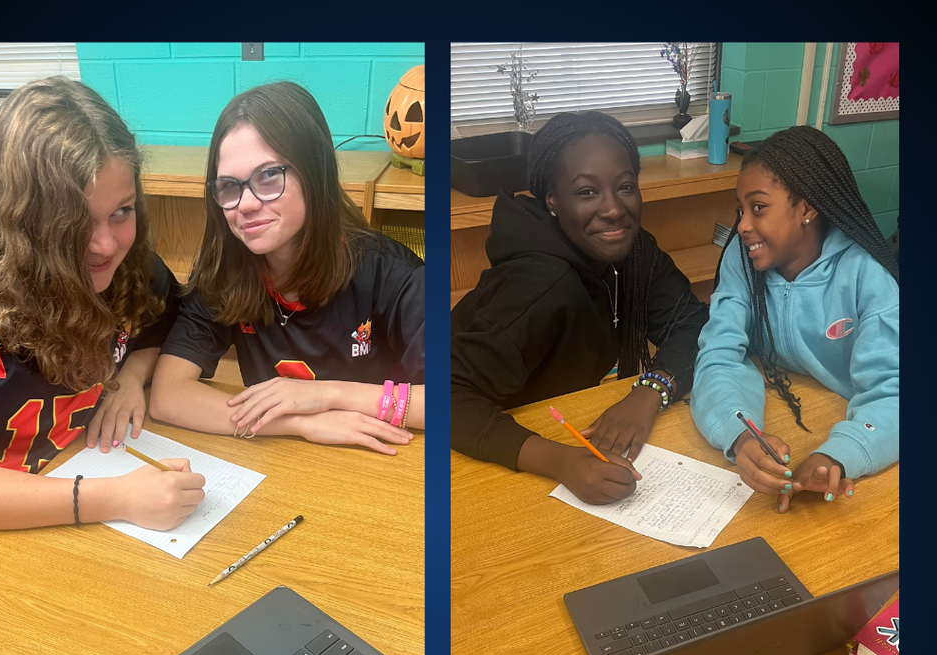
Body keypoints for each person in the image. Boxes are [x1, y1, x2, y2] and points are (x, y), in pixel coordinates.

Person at [0, 77, 205, 531]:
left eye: (122, 211)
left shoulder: (133, 272)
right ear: (17, 219)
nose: (106, 245)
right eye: (75, 221)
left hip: (71, 484)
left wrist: (130, 378)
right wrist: (113, 498)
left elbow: (161, 327)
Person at [149, 81, 425, 456]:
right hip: (283, 457)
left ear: (315, 173)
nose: (245, 204)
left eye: (268, 176)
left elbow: (453, 401)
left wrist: (326, 395)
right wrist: (300, 424)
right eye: (229, 186)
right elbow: (168, 395)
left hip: (381, 458)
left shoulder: (393, 274)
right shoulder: (224, 271)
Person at [450, 110, 708, 505]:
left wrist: (650, 391)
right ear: (552, 200)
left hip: (563, 414)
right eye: (587, 192)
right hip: (492, 451)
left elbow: (693, 323)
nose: (613, 209)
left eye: (625, 186)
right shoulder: (539, 284)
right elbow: (445, 398)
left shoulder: (635, 252)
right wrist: (561, 462)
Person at [690, 125, 899, 513]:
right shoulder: (742, 258)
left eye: (758, 207)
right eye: (740, 210)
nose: (743, 226)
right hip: (789, 407)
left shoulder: (865, 275)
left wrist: (838, 455)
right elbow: (718, 354)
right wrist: (741, 433)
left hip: (871, 439)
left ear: (807, 208)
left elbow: (896, 390)